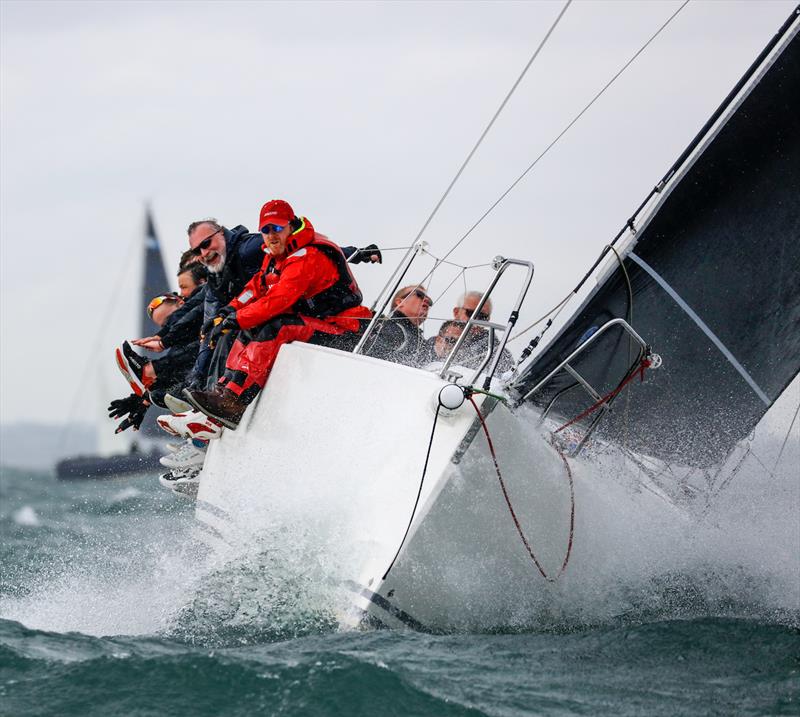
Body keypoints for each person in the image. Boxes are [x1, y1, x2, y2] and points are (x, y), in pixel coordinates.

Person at [182, 199, 373, 430]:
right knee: (249, 326)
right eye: (265, 230)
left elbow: (278, 301)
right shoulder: (276, 256)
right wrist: (229, 310)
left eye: (278, 228)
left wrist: (235, 319)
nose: (271, 235)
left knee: (277, 326)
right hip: (319, 323)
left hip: (345, 329)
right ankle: (223, 393)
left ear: (291, 226)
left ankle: (234, 402)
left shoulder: (305, 257)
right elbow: (256, 288)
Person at [364, 284, 433, 367]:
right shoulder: (389, 327)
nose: (426, 300)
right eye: (420, 295)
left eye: (429, 301)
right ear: (400, 302)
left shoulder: (422, 342)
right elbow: (370, 362)